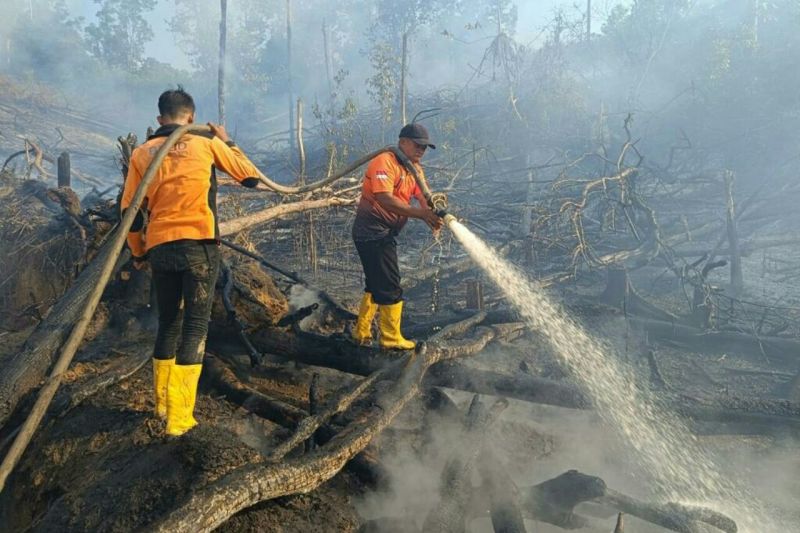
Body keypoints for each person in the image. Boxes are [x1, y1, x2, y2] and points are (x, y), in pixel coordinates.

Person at [121, 87, 262, 436]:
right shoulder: (205, 143)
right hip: (198, 245)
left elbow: (130, 214)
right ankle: (180, 419)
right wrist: (227, 142)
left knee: (169, 322)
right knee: (195, 327)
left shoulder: (142, 152)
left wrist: (138, 253)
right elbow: (250, 177)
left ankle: (161, 405)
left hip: (161, 248)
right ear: (192, 118)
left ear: (159, 120)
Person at [351, 123, 443, 349]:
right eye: (418, 145)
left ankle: (361, 333)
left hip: (383, 233)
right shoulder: (385, 162)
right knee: (390, 286)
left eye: (425, 147)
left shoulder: (414, 169)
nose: (422, 150)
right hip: (371, 232)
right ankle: (391, 340)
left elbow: (424, 196)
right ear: (403, 142)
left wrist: (435, 211)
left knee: (375, 284)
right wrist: (421, 214)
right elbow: (384, 198)